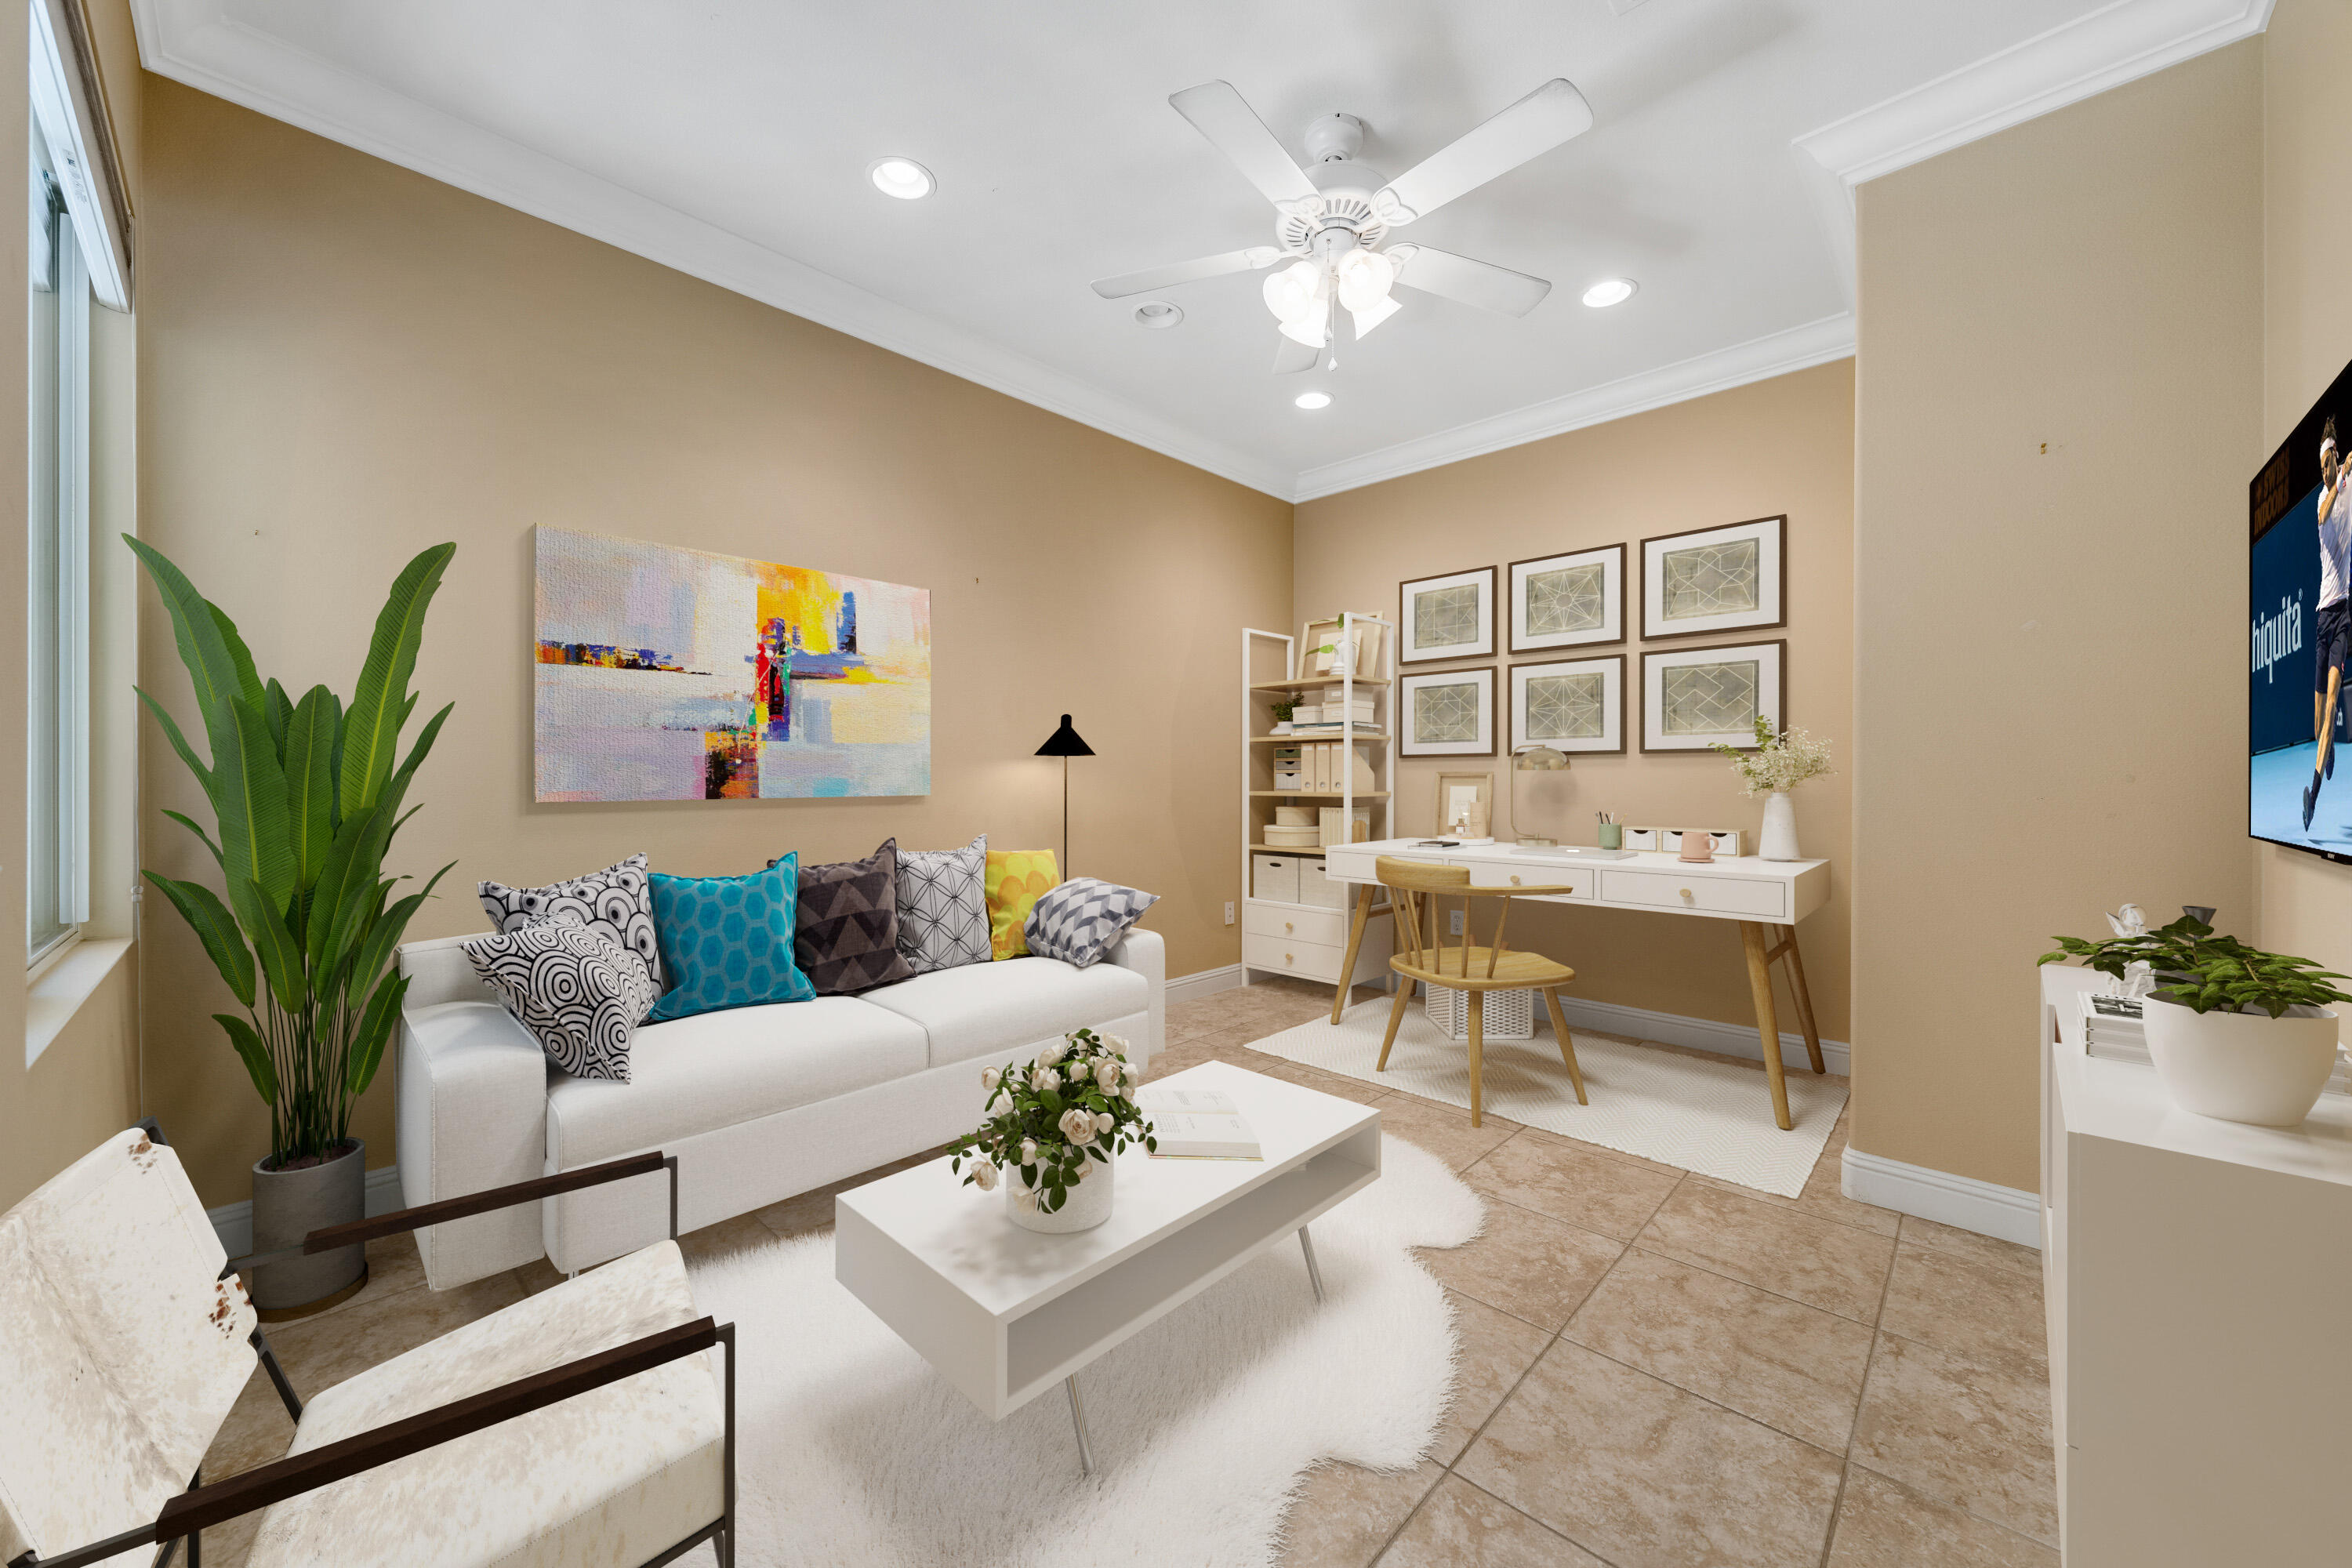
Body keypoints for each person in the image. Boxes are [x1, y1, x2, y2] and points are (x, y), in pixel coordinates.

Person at [2307, 419, 2352, 829]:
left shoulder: (2347, 482)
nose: (2327, 470)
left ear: (2336, 457)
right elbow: (2324, 513)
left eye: (2331, 462)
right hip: (2321, 618)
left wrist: (2347, 469)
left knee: (2333, 703)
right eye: (2322, 466)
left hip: (2342, 618)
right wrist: (2340, 478)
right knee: (2317, 718)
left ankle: (2314, 794)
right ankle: (2329, 744)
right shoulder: (2322, 500)